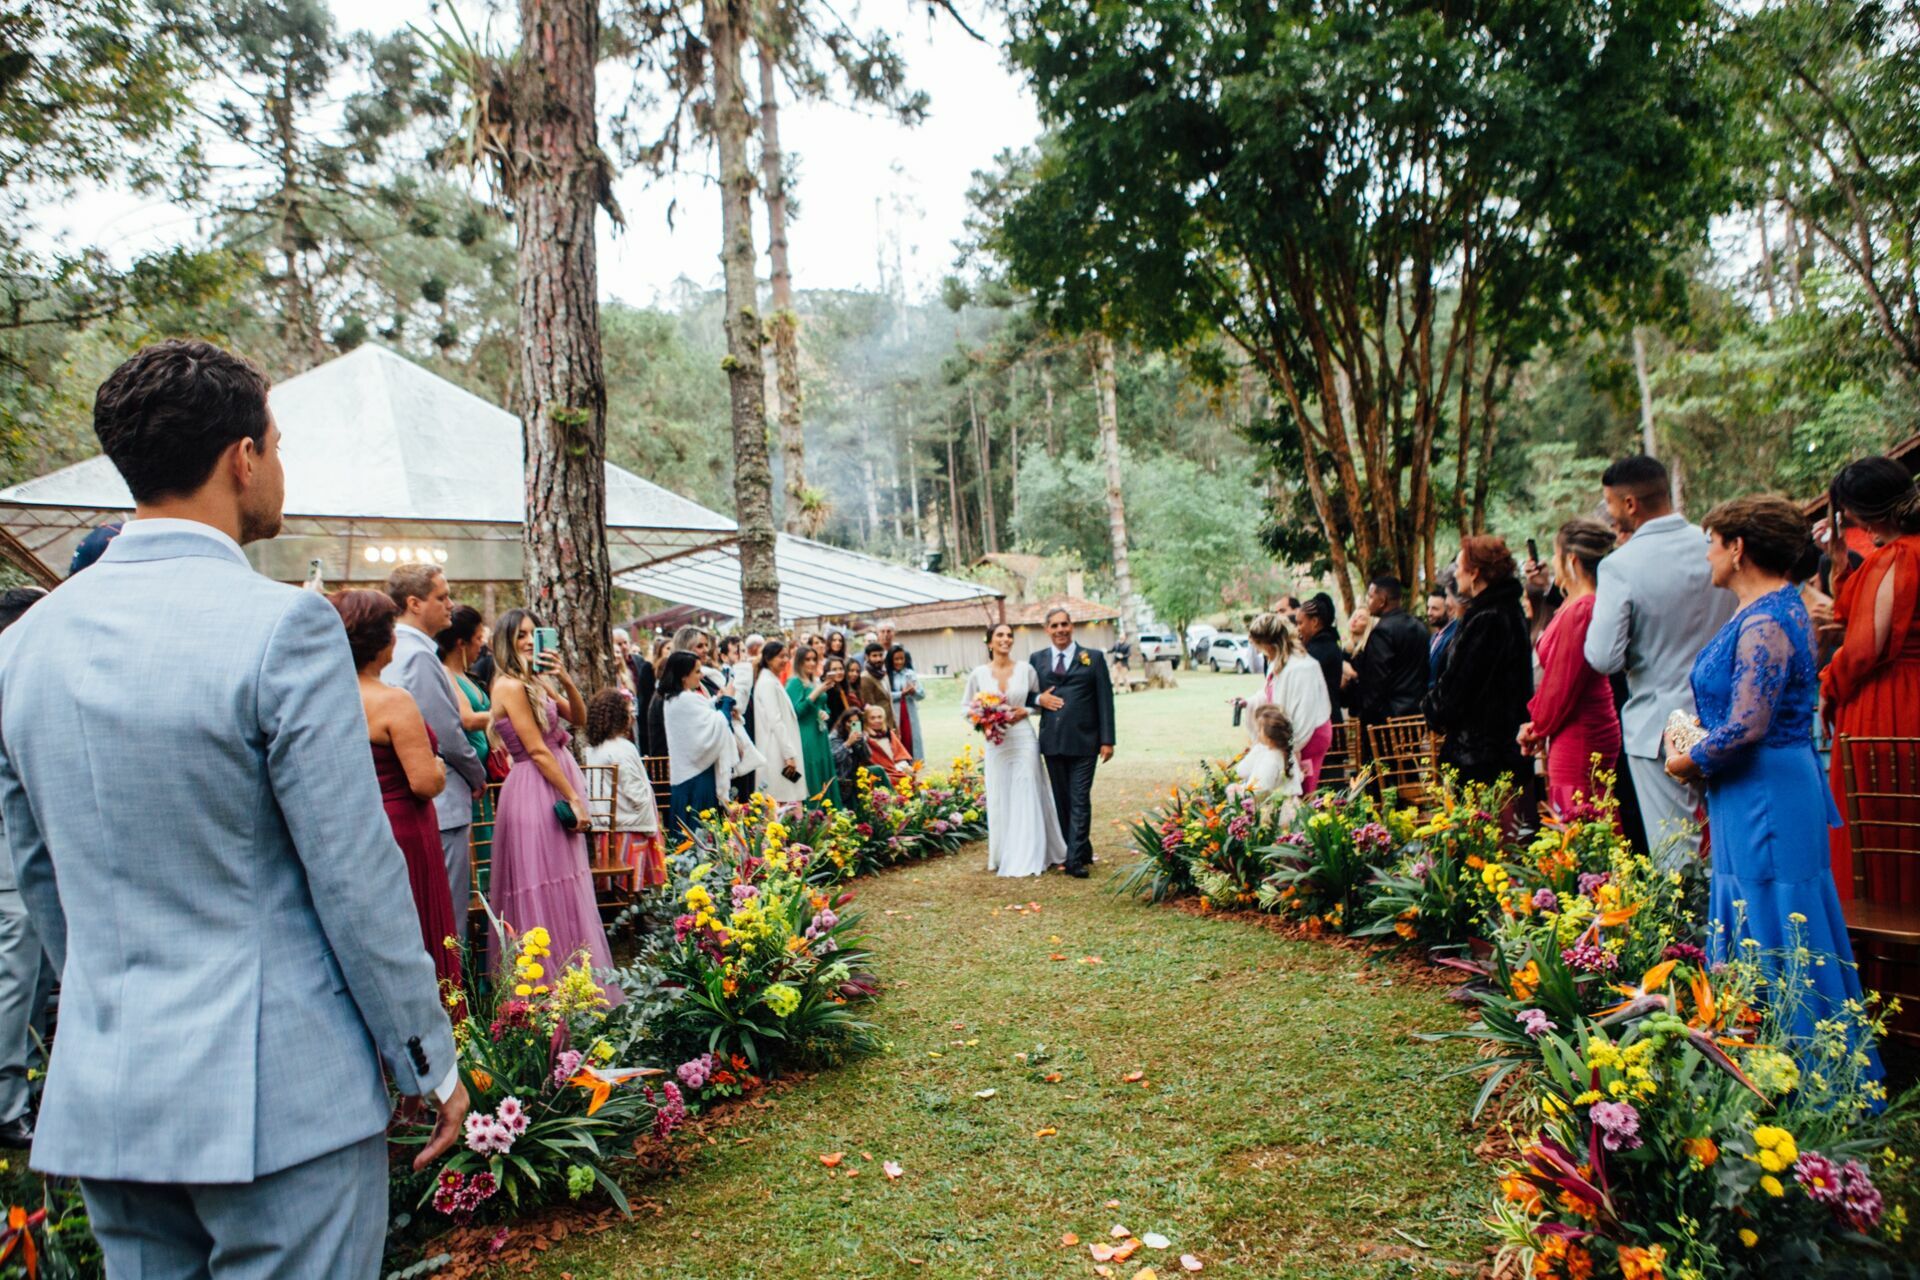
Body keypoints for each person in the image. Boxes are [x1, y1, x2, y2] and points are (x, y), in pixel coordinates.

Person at [0, 339, 463, 1272]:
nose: (279, 468)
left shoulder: (26, 645)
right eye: (278, 444)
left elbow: (36, 875)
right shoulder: (282, 625)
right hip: (280, 1092)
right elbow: (352, 869)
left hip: (113, 1090)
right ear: (242, 457)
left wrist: (102, 1007)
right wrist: (427, 1057)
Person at [1665, 496, 1880, 1073]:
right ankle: (1751, 1052)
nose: (1707, 552)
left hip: (1765, 790)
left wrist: (1689, 759)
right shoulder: (1773, 608)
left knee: (1776, 914)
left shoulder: (1765, 621)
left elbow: (1748, 725)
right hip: (1755, 785)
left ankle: (1804, 1069)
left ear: (1738, 549)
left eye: (1713, 541)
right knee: (1757, 909)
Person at [1584, 455, 1735, 864]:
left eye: (1611, 504)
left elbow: (1602, 657)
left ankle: (1682, 930)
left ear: (1630, 503)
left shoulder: (1620, 565)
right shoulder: (1713, 548)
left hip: (1658, 723)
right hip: (1724, 718)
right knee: (1728, 841)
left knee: (1675, 853)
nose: (1611, 514)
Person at [334, 589, 463, 997]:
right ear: (380, 640)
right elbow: (424, 783)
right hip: (404, 829)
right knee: (420, 929)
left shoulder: (323, 698)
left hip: (352, 827)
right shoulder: (392, 701)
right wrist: (440, 768)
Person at [486, 608, 620, 1003]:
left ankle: (577, 986)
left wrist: (562, 678)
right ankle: (543, 992)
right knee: (541, 884)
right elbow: (537, 750)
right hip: (535, 787)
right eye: (520, 635)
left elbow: (578, 718)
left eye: (533, 633)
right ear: (505, 641)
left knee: (568, 881)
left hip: (555, 779)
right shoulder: (509, 685)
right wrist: (574, 798)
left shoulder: (534, 681)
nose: (529, 641)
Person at [1821, 457, 1920, 905]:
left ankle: (1885, 962)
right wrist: (1841, 566)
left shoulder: (1897, 556)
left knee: (1880, 834)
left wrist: (1829, 684)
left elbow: (1866, 647)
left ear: (1858, 513)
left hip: (1890, 703)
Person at [384, 561, 486, 922]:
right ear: (414, 603)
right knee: (447, 914)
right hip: (440, 798)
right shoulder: (417, 656)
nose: (450, 604)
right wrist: (477, 774)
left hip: (413, 798)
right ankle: (452, 979)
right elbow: (447, 735)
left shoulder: (396, 650)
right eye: (442, 597)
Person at [1519, 519, 1622, 815]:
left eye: (1556, 554)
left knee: (1577, 816)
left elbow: (1563, 683)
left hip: (1581, 728)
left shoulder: (1583, 608)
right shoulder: (1575, 602)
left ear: (1572, 560)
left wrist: (1538, 727)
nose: (1552, 561)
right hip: (1572, 721)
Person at [1424, 537, 1533, 794]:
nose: (1456, 573)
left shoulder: (1486, 619)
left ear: (1475, 573)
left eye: (1460, 567)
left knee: (1479, 830)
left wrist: (1432, 707)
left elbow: (1458, 688)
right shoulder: (1507, 611)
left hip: (1481, 757)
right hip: (1501, 750)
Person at [0, 588, 50, 1151]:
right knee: (15, 974)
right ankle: (7, 1103)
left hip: (21, 850)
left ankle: (25, 1083)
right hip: (10, 854)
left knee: (27, 975)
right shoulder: (13, 668)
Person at [965, 622, 1068, 877]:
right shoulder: (978, 674)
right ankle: (1003, 853)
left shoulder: (1026, 669)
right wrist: (984, 720)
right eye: (1000, 635)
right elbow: (966, 708)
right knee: (1001, 792)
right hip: (996, 742)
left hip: (1023, 738)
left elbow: (1038, 700)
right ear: (989, 642)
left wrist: (1026, 710)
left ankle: (1031, 852)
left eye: (1009, 636)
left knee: (1028, 790)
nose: (1005, 639)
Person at [1028, 607, 1116, 878]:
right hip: (1052, 742)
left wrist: (1107, 740)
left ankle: (1074, 859)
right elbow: (1024, 694)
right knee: (1062, 800)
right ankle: (1082, 848)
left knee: (1079, 798)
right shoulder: (1037, 659)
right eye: (1054, 626)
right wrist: (1037, 700)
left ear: (1072, 626)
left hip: (1085, 742)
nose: (1060, 630)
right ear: (1047, 630)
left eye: (1064, 624)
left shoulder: (1094, 658)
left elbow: (1105, 700)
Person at [582, 688, 667, 891]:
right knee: (634, 880)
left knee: (614, 882)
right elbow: (634, 789)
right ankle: (635, 906)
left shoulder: (594, 749)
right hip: (630, 824)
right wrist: (646, 805)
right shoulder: (623, 748)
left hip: (605, 827)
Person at [1242, 612, 1333, 792]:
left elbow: (1305, 713)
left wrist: (1290, 747)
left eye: (1259, 646)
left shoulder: (1302, 667)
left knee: (1299, 792)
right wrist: (1249, 703)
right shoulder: (1278, 661)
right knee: (1281, 792)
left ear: (1269, 643)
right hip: (1286, 734)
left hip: (1307, 737)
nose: (1260, 651)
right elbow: (1269, 693)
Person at [439, 604, 496, 855]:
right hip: (466, 775)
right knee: (475, 848)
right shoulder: (445, 673)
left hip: (482, 774)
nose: (480, 647)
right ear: (461, 643)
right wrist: (508, 713)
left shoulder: (466, 675)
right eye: (477, 640)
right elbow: (468, 719)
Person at [662, 650, 738, 834]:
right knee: (700, 834)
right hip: (696, 779)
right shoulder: (684, 700)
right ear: (683, 676)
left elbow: (705, 713)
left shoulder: (675, 699)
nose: (702, 675)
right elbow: (715, 726)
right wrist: (727, 701)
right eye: (697, 671)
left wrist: (718, 701)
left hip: (689, 777)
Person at [1351, 576, 1429, 724]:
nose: (1368, 601)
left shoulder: (1382, 632)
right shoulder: (1420, 627)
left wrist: (1367, 715)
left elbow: (1376, 682)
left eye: (1371, 596)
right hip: (1415, 715)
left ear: (1382, 601)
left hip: (1388, 721)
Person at [749, 639, 807, 804]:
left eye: (787, 656)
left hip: (780, 747)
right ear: (768, 658)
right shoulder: (767, 682)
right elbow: (775, 720)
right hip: (776, 748)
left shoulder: (771, 680)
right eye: (781, 656)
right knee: (780, 798)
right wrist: (788, 754)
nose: (785, 661)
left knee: (786, 795)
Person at [787, 645, 839, 805]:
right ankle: (814, 815)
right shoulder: (794, 682)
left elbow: (823, 706)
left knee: (824, 770)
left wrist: (825, 713)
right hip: (806, 735)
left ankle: (830, 812)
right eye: (807, 659)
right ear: (799, 662)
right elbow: (796, 711)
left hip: (820, 734)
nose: (811, 663)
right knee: (812, 771)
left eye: (814, 659)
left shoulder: (814, 681)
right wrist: (817, 691)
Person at [1234, 704, 1302, 800]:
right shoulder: (1286, 752)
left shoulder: (1270, 759)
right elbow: (1298, 777)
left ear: (1269, 737)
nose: (1257, 732)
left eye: (1259, 730)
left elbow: (1261, 788)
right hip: (1288, 804)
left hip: (1273, 808)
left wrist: (1240, 791)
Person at [1298, 594, 1346, 724]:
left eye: (1300, 623)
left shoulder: (1318, 650)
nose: (1298, 628)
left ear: (1314, 622)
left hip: (1325, 723)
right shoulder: (1326, 644)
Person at [886, 644, 927, 762]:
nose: (899, 662)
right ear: (891, 660)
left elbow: (922, 695)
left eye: (902, 658)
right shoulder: (886, 675)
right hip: (895, 712)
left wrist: (914, 691)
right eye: (896, 659)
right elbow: (886, 696)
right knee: (898, 738)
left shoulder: (910, 673)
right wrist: (901, 694)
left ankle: (914, 763)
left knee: (911, 738)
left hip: (909, 712)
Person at [860, 703, 915, 787]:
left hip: (896, 769)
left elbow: (900, 754)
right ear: (866, 720)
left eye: (879, 717)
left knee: (911, 776)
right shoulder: (864, 738)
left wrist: (903, 766)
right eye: (872, 718)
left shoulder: (889, 734)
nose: (877, 720)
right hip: (880, 774)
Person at [1428, 567, 1461, 687]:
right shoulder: (1434, 637)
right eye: (1428, 608)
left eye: (1435, 609)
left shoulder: (1454, 635)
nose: (1429, 613)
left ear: (1450, 610)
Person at [859, 641, 897, 734]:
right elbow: (871, 708)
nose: (878, 659)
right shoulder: (865, 677)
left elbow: (888, 701)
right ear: (867, 657)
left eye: (881, 655)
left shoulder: (883, 673)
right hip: (878, 726)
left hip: (890, 723)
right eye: (874, 656)